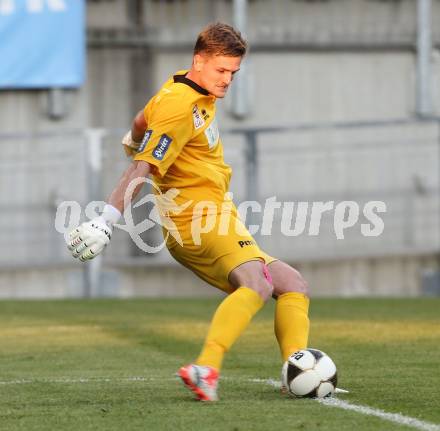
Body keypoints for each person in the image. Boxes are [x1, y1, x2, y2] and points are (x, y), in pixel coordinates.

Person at [67, 22, 309, 402]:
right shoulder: (181, 104)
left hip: (216, 215)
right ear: (199, 60)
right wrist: (105, 221)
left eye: (233, 72)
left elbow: (141, 122)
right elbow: (140, 169)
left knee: (291, 283)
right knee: (258, 284)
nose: (228, 80)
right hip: (197, 219)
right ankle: (206, 368)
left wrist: (133, 140)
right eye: (221, 70)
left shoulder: (182, 87)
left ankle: (298, 372)